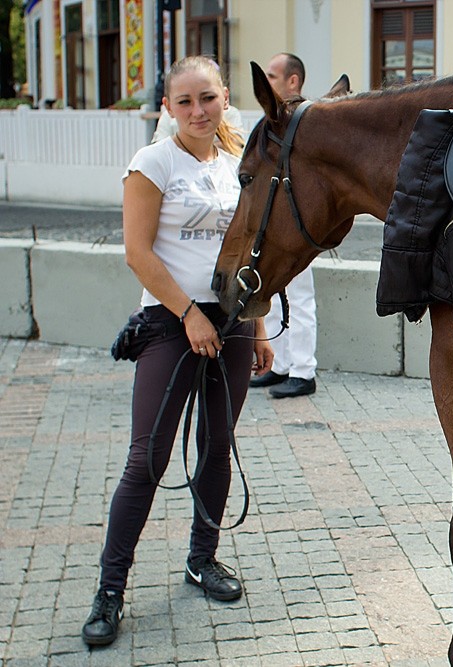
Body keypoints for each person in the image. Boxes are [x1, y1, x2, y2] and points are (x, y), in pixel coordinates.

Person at [81, 56, 273, 648]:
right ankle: (110, 590)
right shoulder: (153, 162)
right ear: (167, 107)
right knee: (147, 459)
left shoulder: (239, 162)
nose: (197, 111)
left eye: (207, 99)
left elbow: (253, 255)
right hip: (170, 323)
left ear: (223, 99)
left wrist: (259, 326)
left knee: (217, 446)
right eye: (185, 101)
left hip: (231, 322)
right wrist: (188, 315)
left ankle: (201, 558)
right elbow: (138, 253)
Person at [249, 52, 318, 398]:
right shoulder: (277, 122)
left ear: (293, 81)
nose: (267, 83)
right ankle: (281, 364)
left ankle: (304, 371)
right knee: (273, 291)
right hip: (275, 221)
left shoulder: (305, 121)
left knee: (301, 297)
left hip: (297, 221)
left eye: (273, 77)